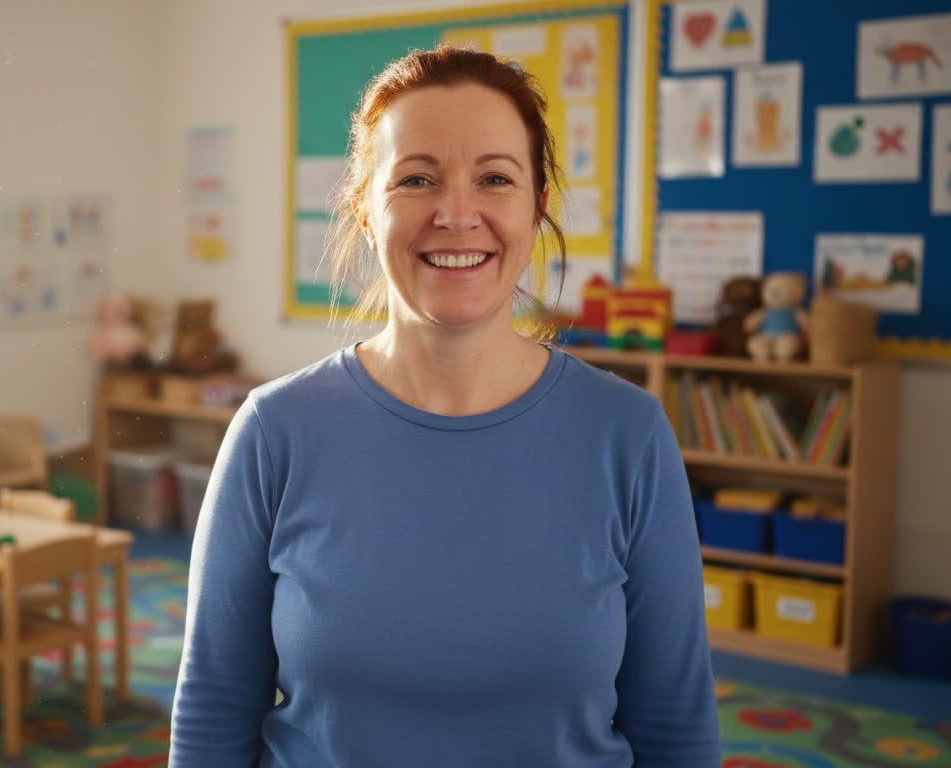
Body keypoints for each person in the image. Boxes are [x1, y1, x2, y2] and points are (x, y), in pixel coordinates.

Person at [169, 44, 720, 766]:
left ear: (537, 207)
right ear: (367, 212)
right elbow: (212, 713)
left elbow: (676, 730)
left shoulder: (628, 435)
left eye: (495, 178)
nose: (456, 215)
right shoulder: (274, 433)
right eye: (417, 179)